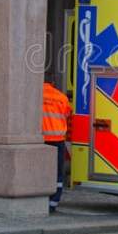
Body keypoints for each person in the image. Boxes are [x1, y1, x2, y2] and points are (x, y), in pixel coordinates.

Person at [42, 73, 71, 213]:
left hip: (40, 140)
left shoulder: (33, 96)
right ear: (53, 82)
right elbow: (67, 114)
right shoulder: (61, 97)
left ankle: (39, 199)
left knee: (39, 171)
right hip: (57, 140)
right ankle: (53, 202)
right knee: (57, 173)